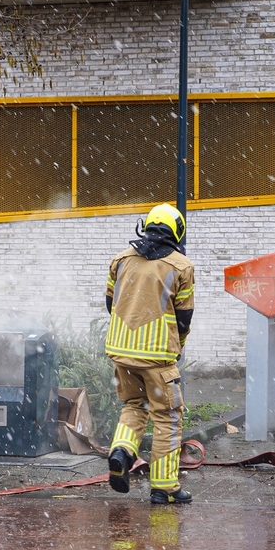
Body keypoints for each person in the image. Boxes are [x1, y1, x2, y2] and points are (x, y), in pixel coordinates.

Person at [104, 203, 195, 505]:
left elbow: (110, 304)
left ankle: (121, 452)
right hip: (157, 357)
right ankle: (164, 487)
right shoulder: (181, 266)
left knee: (134, 405)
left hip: (121, 352)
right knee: (167, 417)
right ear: (177, 231)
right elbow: (184, 318)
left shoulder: (120, 259)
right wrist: (176, 345)